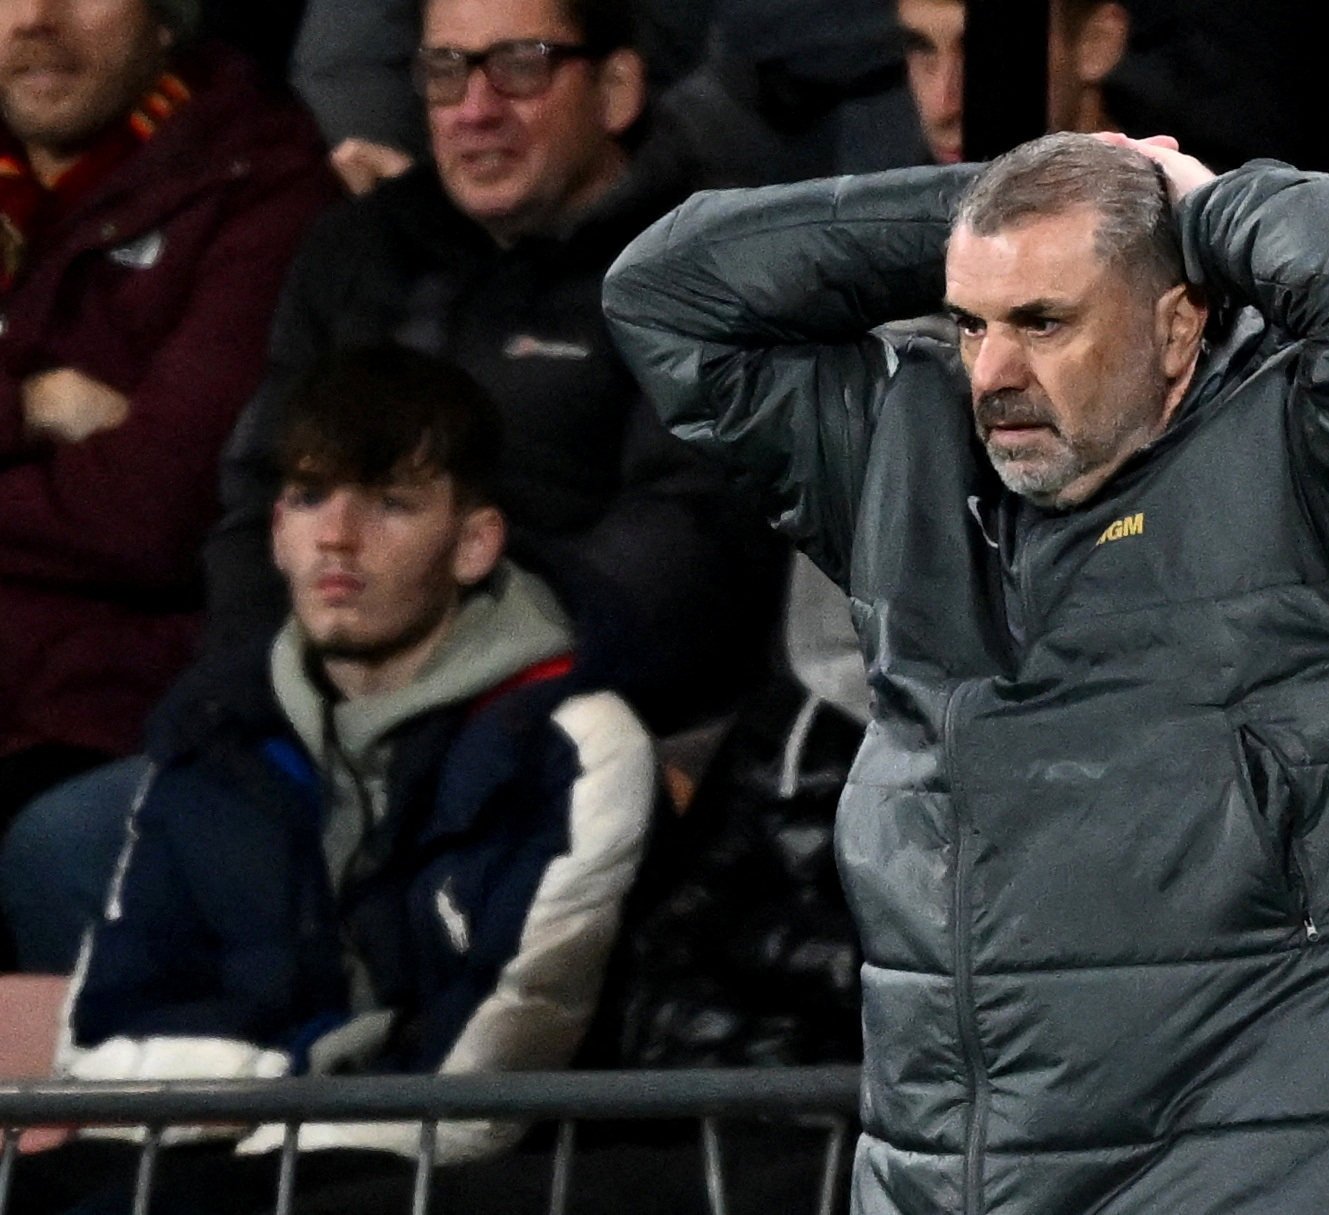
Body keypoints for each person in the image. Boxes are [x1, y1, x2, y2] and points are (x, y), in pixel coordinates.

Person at [605, 132, 1329, 1212]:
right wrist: (1002, 215)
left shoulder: (1319, 472)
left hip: (1235, 1185)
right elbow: (667, 292)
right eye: (971, 322)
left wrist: (1192, 206)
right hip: (942, 1186)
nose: (992, 373)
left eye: (1043, 322)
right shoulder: (902, 455)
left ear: (1177, 324)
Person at [0, 0, 785, 972]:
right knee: (67, 846)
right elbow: (254, 506)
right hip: (331, 728)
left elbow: (687, 544)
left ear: (618, 86)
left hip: (573, 728)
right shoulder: (358, 252)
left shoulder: (702, 272)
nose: (475, 109)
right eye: (445, 72)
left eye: (522, 67)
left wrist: (451, 681)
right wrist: (263, 712)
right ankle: (226, 1107)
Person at [4, 344, 657, 1215]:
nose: (337, 535)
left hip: (445, 1166)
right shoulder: (217, 732)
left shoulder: (574, 741)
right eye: (310, 497)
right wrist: (252, 1093)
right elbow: (121, 1014)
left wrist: (256, 1126)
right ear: (275, 529)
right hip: (236, 1134)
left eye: (390, 503)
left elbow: (486, 1073)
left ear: (474, 543)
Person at [0, 0, 336, 840]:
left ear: (166, 16)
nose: (36, 17)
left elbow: (154, 511)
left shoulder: (260, 186)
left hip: (86, 713)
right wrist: (28, 406)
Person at [896, 0, 1127, 165]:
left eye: (985, 51)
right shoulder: (880, 215)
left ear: (1097, 43)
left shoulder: (1160, 215)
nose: (940, 106)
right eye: (921, 47)